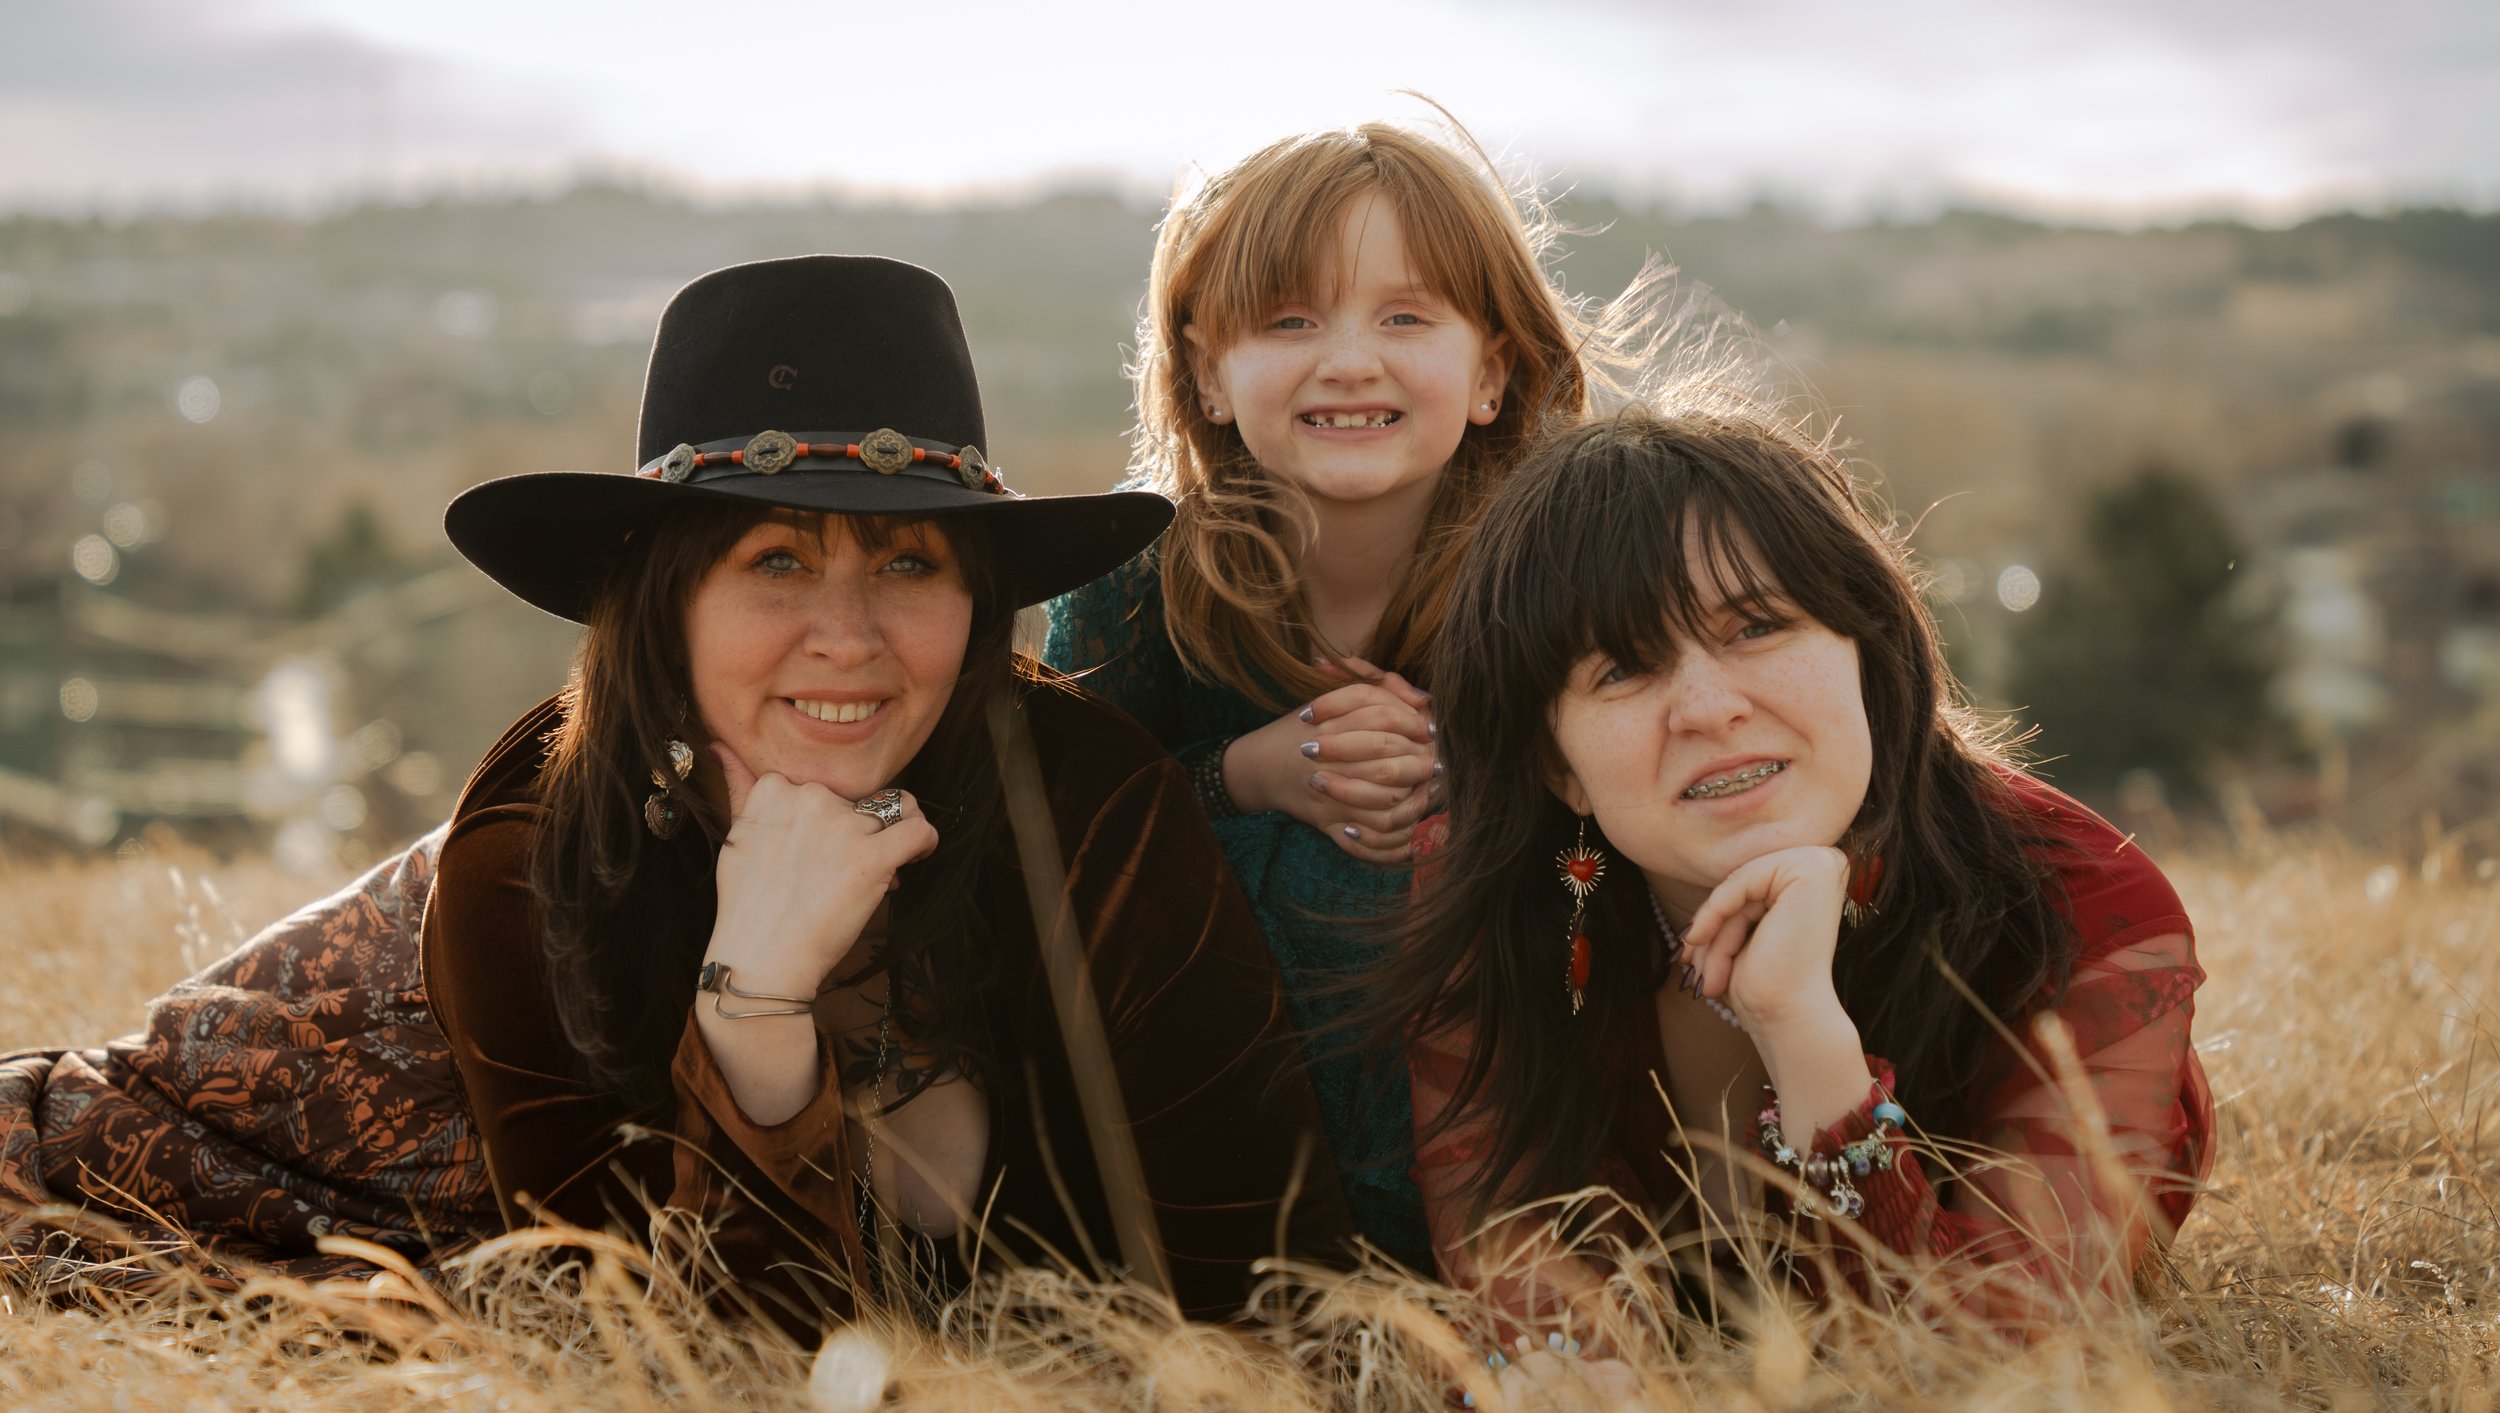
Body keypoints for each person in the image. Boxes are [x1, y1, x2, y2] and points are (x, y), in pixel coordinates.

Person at [1, 255, 1355, 1330]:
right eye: (775, 559)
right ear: (666, 605)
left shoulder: (1088, 798)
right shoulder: (535, 848)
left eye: (909, 565)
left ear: (978, 597)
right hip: (164, 1163)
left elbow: (1260, 1268)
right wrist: (758, 1013)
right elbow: (693, 1349)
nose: (848, 633)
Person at [1375, 404, 2215, 1338]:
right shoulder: (1504, 894)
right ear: (1557, 764)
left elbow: (2019, 1348)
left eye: (1757, 626)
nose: (1707, 706)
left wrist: (1807, 1039)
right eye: (1622, 669)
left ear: (1869, 648)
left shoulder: (2087, 908)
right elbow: (1520, 1292)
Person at [1043, 120, 1615, 1272]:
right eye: (1291, 321)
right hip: (1214, 1110)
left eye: (1405, 318)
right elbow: (1059, 845)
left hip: (1523, 1092)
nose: (1349, 360)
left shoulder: (1571, 572)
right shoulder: (1131, 588)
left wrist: (1482, 777)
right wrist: (1243, 774)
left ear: (1494, 370)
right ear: (1206, 371)